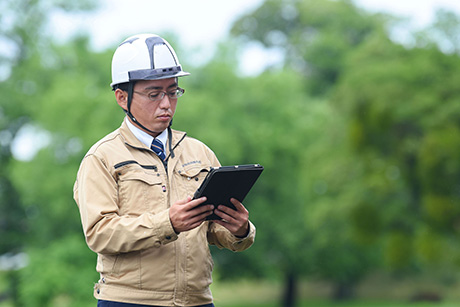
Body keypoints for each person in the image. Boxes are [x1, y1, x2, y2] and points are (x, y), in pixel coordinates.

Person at [73, 33, 256, 307]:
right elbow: (100, 233)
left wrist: (240, 231)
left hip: (198, 301)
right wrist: (167, 223)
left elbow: (214, 230)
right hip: (130, 303)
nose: (166, 104)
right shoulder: (101, 157)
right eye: (154, 93)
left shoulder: (200, 153)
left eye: (173, 91)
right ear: (122, 98)